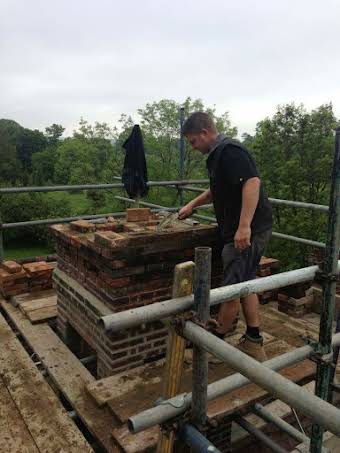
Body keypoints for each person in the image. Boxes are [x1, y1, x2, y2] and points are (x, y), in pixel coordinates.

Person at [178, 112, 272, 362]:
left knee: (230, 289)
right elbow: (215, 190)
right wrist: (192, 205)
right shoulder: (217, 156)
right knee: (245, 282)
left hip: (245, 232)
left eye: (193, 141)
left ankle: (216, 346)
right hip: (243, 229)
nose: (193, 147)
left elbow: (252, 183)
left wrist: (244, 227)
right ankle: (254, 340)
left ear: (205, 133)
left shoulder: (230, 151)